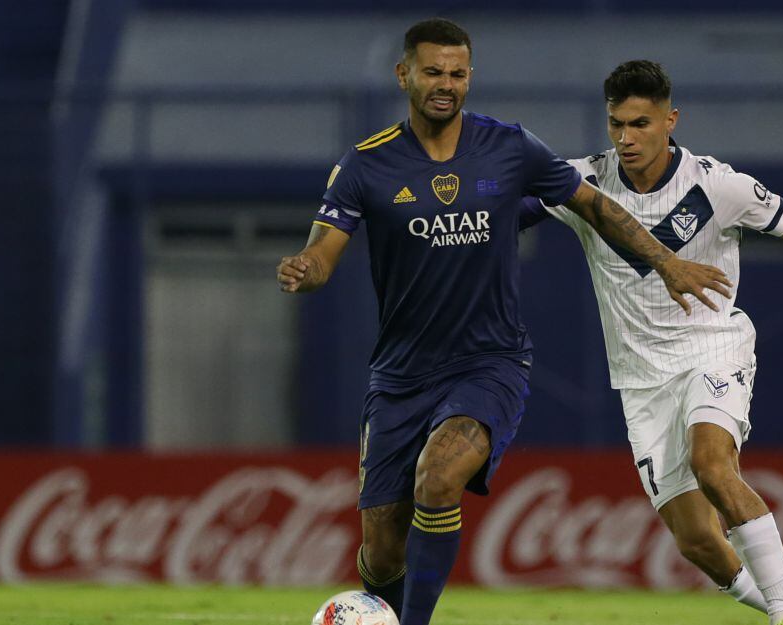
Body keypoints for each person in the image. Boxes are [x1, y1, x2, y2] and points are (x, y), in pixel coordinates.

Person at [276, 20, 730, 625]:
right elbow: (322, 255)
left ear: (470, 78)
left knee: (439, 478)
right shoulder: (365, 164)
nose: (445, 84)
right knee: (382, 549)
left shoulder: (510, 147)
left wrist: (667, 261)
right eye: (432, 72)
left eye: (457, 73)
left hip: (488, 363)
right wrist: (304, 268)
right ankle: (384, 607)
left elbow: (595, 205)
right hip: (400, 374)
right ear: (404, 74)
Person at [520, 60, 783, 625]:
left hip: (712, 349)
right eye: (616, 124)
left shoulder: (716, 185)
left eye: (640, 124)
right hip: (642, 379)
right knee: (696, 541)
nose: (626, 138)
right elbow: (507, 210)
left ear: (670, 120)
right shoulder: (584, 183)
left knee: (713, 465)